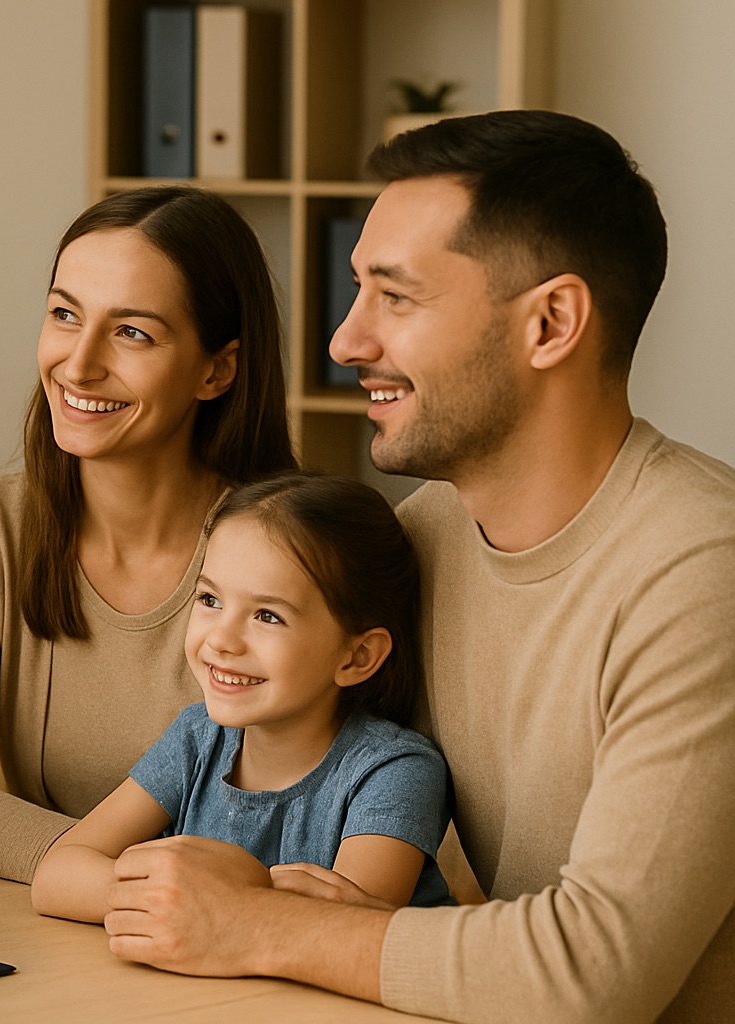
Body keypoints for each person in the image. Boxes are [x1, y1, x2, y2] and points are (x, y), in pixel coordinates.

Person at [97, 110, 735, 1022]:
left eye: (394, 298)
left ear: (551, 322)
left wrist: (252, 923)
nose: (346, 342)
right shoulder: (425, 532)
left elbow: (596, 972)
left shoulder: (702, 574)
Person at [0, 186, 296, 882]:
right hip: (75, 929)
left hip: (242, 951)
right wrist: (108, 879)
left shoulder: (298, 555)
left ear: (216, 369)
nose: (78, 364)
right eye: (65, 315)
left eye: (132, 332)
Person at [31, 472, 450, 922]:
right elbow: (56, 876)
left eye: (267, 615)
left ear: (358, 656)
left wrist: (199, 902)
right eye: (210, 599)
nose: (222, 640)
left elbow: (346, 931)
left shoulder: (394, 772)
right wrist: (174, 900)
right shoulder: (196, 738)